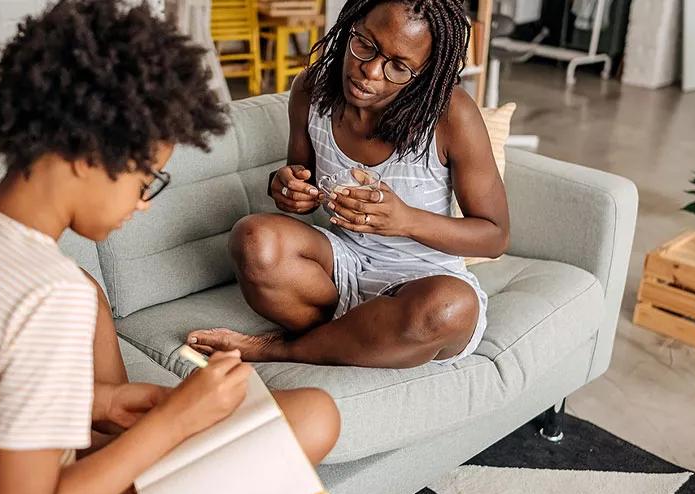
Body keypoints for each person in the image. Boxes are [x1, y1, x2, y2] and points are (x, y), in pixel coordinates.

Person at [0, 2, 340, 494]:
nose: (143, 204)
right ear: (91, 156)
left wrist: (105, 403)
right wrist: (172, 423)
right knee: (313, 418)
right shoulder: (45, 293)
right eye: (147, 179)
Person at [187, 0, 510, 369]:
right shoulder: (312, 91)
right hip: (342, 267)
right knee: (252, 239)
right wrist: (286, 188)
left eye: (399, 67)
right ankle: (358, 338)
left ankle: (283, 350)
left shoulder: (451, 115)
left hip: (425, 281)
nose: (369, 71)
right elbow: (301, 180)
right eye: (366, 45)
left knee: (449, 309)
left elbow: (495, 235)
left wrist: (405, 220)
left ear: (425, 74)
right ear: (351, 24)